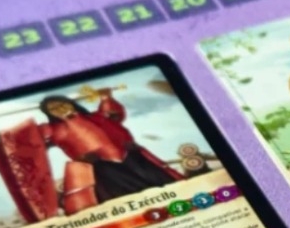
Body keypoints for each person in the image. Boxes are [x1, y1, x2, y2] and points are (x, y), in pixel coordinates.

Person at [37, 88, 183, 205]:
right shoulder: (52, 130)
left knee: (159, 183)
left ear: (71, 103)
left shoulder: (97, 116)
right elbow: (36, 141)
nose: (60, 109)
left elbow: (114, 114)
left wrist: (105, 97)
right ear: (49, 113)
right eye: (53, 109)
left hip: (128, 153)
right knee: (123, 195)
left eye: (62, 104)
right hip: (99, 164)